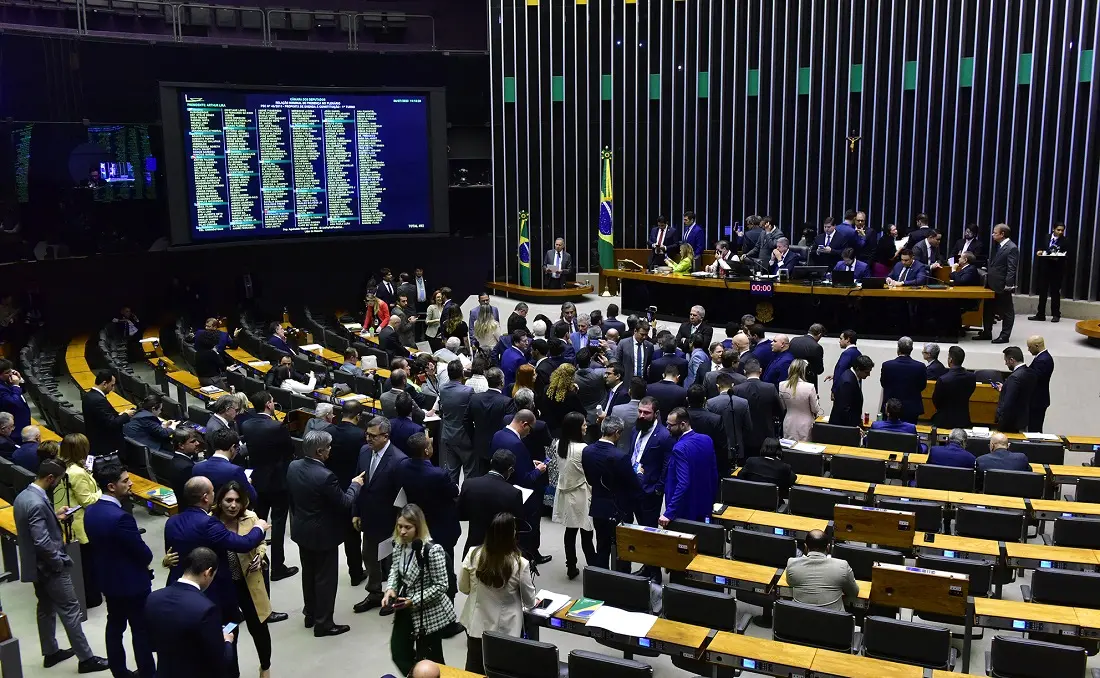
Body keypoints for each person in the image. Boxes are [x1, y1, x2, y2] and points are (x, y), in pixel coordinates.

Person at [15, 458, 110, 672]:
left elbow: (34, 530)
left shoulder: (24, 496)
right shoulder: (38, 503)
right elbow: (41, 541)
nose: (58, 484)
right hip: (50, 567)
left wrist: (55, 517)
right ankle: (86, 659)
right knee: (71, 610)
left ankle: (50, 652)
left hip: (34, 566)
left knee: (45, 608)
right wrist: (58, 561)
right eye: (57, 480)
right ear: (50, 478)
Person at [286, 430, 365, 637]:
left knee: (309, 574)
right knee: (326, 580)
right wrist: (355, 485)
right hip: (323, 535)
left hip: (302, 530)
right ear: (320, 451)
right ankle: (324, 623)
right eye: (328, 448)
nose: (331, 451)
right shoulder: (325, 476)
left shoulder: (293, 466)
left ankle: (310, 614)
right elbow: (345, 502)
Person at [84, 462, 155, 678]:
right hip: (132, 583)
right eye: (125, 480)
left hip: (108, 580)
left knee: (114, 626)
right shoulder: (121, 517)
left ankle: (119, 671)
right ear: (111, 486)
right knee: (140, 630)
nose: (130, 483)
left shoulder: (91, 511)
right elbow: (144, 553)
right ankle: (147, 672)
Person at [211, 481, 279, 678]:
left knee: (259, 627)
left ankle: (265, 667)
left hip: (249, 583)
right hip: (226, 588)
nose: (233, 505)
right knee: (230, 631)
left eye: (238, 501)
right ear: (220, 501)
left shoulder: (251, 518)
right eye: (228, 500)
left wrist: (260, 555)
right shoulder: (211, 522)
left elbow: (261, 542)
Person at [459, 512, 537, 674]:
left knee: (473, 669)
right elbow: (529, 602)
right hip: (506, 629)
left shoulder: (473, 554)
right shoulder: (520, 563)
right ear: (512, 535)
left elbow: (463, 588)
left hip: (476, 625)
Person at [385, 504, 458, 674]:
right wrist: (390, 588)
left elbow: (441, 585)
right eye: (399, 526)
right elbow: (395, 570)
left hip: (428, 613)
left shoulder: (432, 551)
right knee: (399, 652)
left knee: (433, 662)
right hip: (404, 608)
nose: (402, 531)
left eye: (407, 527)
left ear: (418, 527)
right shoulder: (399, 544)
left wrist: (413, 600)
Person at [145, 547, 236, 678]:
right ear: (208, 572)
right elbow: (221, 660)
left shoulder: (153, 598)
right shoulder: (207, 609)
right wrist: (227, 641)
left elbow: (151, 644)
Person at [352, 416, 409, 613]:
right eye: (367, 435)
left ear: (385, 436)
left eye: (373, 436)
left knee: (393, 561)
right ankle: (375, 593)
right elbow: (359, 483)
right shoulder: (363, 452)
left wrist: (400, 525)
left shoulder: (399, 460)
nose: (368, 439)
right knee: (368, 556)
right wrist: (356, 512)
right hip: (368, 518)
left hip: (390, 522)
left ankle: (394, 597)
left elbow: (402, 498)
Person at [400, 432, 461, 599]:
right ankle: (447, 596)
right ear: (427, 451)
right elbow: (453, 491)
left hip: (417, 524)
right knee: (444, 564)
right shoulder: (439, 474)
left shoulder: (402, 466)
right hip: (441, 526)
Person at [582, 416, 642, 571]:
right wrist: (640, 474)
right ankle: (621, 583)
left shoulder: (587, 451)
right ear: (616, 433)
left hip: (598, 507)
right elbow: (633, 485)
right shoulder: (620, 457)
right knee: (622, 550)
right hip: (619, 509)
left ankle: (602, 582)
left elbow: (589, 479)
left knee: (602, 546)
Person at [489, 410, 549, 563]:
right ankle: (529, 559)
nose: (529, 433)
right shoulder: (517, 443)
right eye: (530, 428)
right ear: (524, 424)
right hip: (522, 494)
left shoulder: (498, 435)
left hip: (502, 488)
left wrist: (529, 464)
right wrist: (538, 470)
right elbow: (525, 479)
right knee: (529, 527)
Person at [55, 433, 104, 609]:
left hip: (74, 520)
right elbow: (88, 500)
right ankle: (91, 598)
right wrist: (103, 492)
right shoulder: (75, 473)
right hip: (80, 522)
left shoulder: (63, 466)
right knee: (87, 564)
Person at [550, 413, 595, 580]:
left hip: (565, 492)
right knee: (586, 532)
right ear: (577, 428)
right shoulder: (583, 449)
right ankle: (593, 566)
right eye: (583, 425)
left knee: (570, 532)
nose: (586, 427)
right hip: (582, 493)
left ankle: (571, 566)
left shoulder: (559, 444)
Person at [459, 449, 524, 558]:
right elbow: (517, 525)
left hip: (474, 547)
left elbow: (461, 513)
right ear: (511, 470)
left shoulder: (469, 484)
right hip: (500, 550)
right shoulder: (513, 493)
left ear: (491, 462)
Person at [659, 408, 718, 526]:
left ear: (683, 424)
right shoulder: (707, 439)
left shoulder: (679, 448)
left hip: (684, 510)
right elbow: (714, 474)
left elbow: (683, 482)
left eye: (671, 425)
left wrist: (669, 512)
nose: (667, 428)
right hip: (704, 505)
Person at [626, 397, 672, 536]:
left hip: (649, 490)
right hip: (631, 486)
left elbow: (666, 465)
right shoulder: (636, 429)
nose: (641, 415)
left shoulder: (664, 436)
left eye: (646, 413)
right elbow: (632, 454)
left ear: (656, 414)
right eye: (639, 411)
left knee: (648, 531)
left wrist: (658, 488)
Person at [784, 530, 860, 612]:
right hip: (833, 622)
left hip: (801, 620)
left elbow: (790, 583)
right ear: (828, 547)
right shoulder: (842, 566)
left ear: (805, 547)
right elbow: (853, 593)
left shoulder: (792, 564)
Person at [466, 367, 516, 474]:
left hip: (479, 445)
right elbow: (510, 426)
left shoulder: (475, 398)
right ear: (502, 382)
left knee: (481, 477)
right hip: (500, 448)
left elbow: (466, 421)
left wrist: (474, 437)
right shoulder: (507, 402)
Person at [733, 359, 784, 457]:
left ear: (744, 372)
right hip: (766, 434)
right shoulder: (770, 388)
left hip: (745, 436)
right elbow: (780, 411)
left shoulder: (737, 389)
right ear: (760, 371)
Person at [436, 360, 476, 484]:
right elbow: (472, 413)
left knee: (452, 471)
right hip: (464, 437)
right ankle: (467, 499)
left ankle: (451, 500)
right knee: (469, 471)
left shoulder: (442, 389)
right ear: (462, 373)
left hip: (448, 434)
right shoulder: (468, 391)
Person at [192, 428, 256, 503]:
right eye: (237, 449)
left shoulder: (196, 468)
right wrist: (248, 482)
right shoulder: (235, 471)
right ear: (232, 448)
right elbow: (252, 496)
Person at [980, 224, 1019, 343]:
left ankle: (1005, 336)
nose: (992, 235)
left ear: (1002, 234)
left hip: (1002, 285)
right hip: (991, 283)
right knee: (988, 309)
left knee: (1007, 311)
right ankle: (987, 332)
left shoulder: (1011, 248)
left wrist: (1008, 285)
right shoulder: (999, 246)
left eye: (994, 233)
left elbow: (1012, 268)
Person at [82, 369, 137, 456]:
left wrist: (120, 415)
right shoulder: (98, 400)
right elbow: (111, 423)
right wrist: (126, 415)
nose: (113, 389)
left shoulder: (88, 396)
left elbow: (103, 417)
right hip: (105, 447)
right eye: (112, 385)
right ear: (104, 384)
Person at [706, 373, 752, 469]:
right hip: (738, 447)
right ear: (733, 385)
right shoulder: (743, 402)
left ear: (717, 386)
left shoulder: (710, 403)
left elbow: (709, 428)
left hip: (718, 448)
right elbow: (748, 427)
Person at [880, 336, 927, 423]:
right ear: (911, 349)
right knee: (909, 434)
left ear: (898, 349)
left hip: (890, 408)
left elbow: (883, 384)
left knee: (887, 433)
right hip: (911, 409)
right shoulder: (920, 367)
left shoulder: (887, 365)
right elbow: (922, 386)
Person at [1030, 222, 1070, 322]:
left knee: (1055, 292)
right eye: (1058, 230)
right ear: (1053, 229)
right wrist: (1039, 251)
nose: (1060, 232)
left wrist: (1060, 256)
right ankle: (1040, 314)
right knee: (1042, 292)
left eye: (1062, 230)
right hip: (1045, 268)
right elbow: (1041, 248)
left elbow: (1068, 254)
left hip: (1057, 269)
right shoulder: (1046, 237)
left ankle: (1056, 314)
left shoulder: (1065, 240)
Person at [994, 346, 1038, 433]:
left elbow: (1008, 403)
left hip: (1011, 423)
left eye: (1006, 361)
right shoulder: (1031, 373)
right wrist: (1005, 389)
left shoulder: (1014, 377)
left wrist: (1000, 419)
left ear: (1012, 360)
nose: (1006, 364)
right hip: (1024, 419)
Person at [931, 346, 976, 429]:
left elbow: (936, 400)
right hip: (963, 419)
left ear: (950, 360)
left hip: (944, 421)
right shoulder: (972, 377)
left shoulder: (943, 379)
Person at [536, 363, 586, 438]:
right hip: (564, 431)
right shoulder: (571, 396)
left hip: (549, 429)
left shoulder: (547, 389)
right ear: (571, 378)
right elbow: (582, 413)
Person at [780, 359, 821, 441]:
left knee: (789, 449)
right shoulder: (810, 387)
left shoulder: (782, 385)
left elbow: (783, 406)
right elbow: (815, 409)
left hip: (788, 423)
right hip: (805, 424)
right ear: (804, 371)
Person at [830, 355, 874, 427]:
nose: (869, 375)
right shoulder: (848, 381)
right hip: (843, 427)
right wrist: (854, 427)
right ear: (858, 369)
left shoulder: (851, 376)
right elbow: (844, 409)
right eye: (866, 372)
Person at [610, 377, 647, 452]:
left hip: (621, 450)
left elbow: (611, 432)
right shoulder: (650, 412)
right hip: (642, 452)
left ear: (629, 392)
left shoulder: (617, 410)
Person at [164, 428, 202, 499]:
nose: (197, 443)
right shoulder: (186, 467)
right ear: (181, 445)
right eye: (193, 441)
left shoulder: (175, 459)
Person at [0, 358, 32, 442]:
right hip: (14, 430)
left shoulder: (5, 382)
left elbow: (21, 392)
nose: (11, 374)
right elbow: (15, 403)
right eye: (7, 373)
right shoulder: (1, 388)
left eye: (11, 370)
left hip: (21, 424)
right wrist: (15, 386)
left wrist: (19, 380)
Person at [1027, 335, 1054, 432]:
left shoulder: (1043, 360)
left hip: (1037, 401)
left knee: (1034, 428)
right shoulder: (1043, 357)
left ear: (1037, 346)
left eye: (1030, 347)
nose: (1028, 350)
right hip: (1038, 400)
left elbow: (1033, 378)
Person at [789, 324, 826, 391]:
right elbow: (819, 370)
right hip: (807, 382)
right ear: (820, 334)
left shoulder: (794, 340)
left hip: (791, 379)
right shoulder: (816, 347)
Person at [828, 330, 861, 396]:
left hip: (844, 391)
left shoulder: (847, 354)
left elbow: (841, 370)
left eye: (841, 338)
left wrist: (834, 390)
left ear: (848, 339)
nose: (839, 341)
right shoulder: (858, 353)